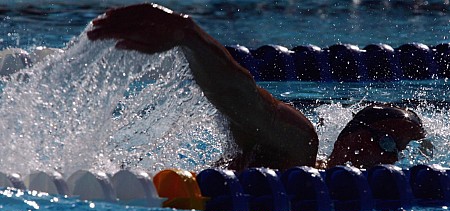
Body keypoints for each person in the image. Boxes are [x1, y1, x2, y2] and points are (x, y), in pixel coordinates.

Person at [87, 3, 429, 171]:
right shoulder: (299, 145)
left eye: (399, 150)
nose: (392, 159)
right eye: (387, 141)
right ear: (352, 138)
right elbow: (242, 99)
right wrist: (189, 36)